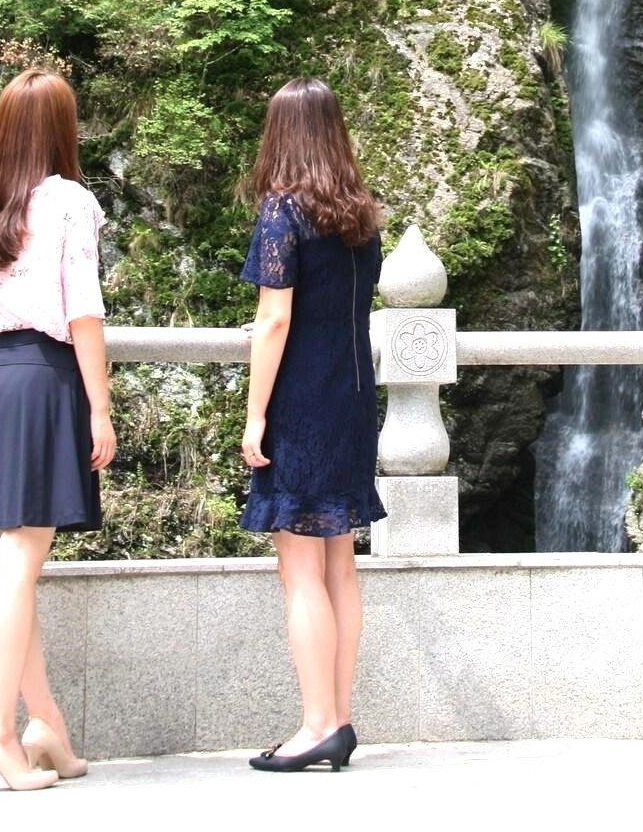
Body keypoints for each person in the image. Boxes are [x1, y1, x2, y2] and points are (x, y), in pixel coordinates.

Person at [0, 66, 116, 793]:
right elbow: (83, 310)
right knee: (20, 564)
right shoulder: (70, 203)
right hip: (48, 376)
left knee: (18, 566)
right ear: (61, 130)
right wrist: (100, 406)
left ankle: (45, 724)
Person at [239, 76, 386, 774]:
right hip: (354, 402)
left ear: (282, 135)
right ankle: (341, 715)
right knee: (339, 566)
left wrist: (255, 414)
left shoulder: (282, 213)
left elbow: (274, 318)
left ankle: (316, 723)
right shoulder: (363, 216)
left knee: (299, 569)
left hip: (301, 403)